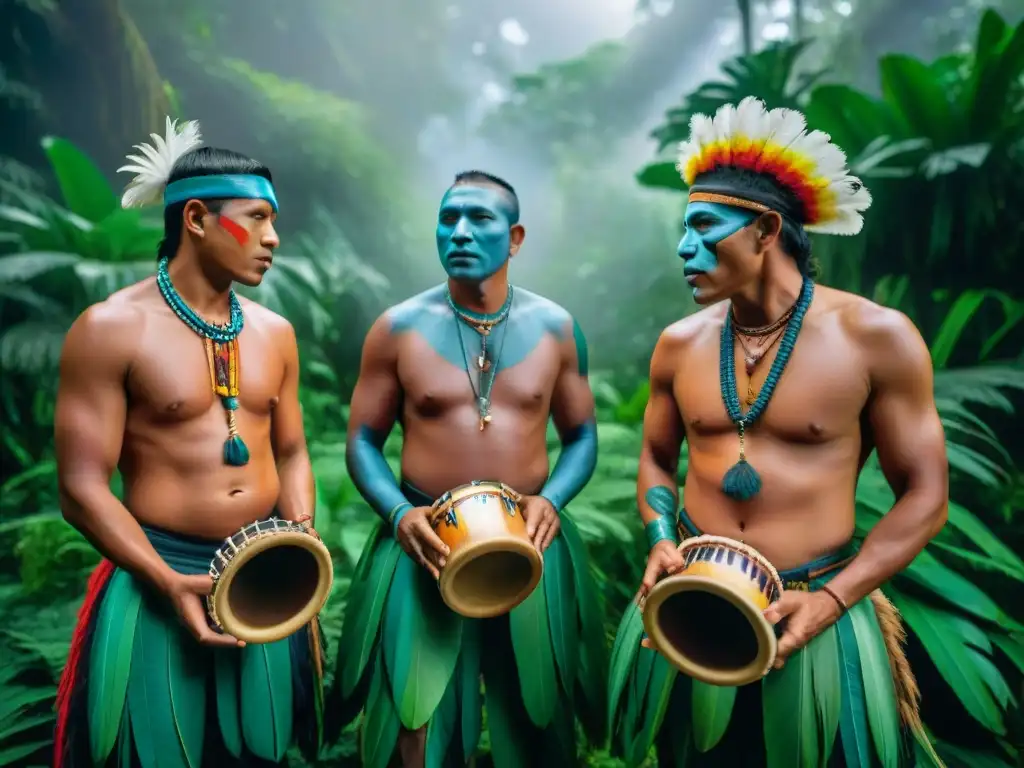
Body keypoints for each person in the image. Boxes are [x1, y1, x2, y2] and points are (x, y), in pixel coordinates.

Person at [607, 97, 949, 767]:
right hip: (693, 603)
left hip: (817, 608)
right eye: (683, 229)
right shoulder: (679, 344)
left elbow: (926, 497)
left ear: (766, 230)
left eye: (705, 226)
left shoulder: (876, 338)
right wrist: (656, 537)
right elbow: (654, 456)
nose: (685, 247)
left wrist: (830, 600)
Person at [53, 118, 324, 768]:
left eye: (273, 220)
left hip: (265, 574)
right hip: (156, 574)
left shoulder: (274, 332)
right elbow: (81, 486)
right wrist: (164, 578)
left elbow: (289, 450)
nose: (273, 238)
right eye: (256, 218)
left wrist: (301, 543)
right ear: (196, 217)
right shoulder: (111, 328)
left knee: (259, 757)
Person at [326, 170, 606, 767]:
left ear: (516, 236)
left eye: (479, 219)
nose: (459, 231)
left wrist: (551, 500)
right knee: (413, 723)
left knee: (538, 719)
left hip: (530, 540)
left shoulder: (557, 329)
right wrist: (399, 514)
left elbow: (582, 438)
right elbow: (362, 442)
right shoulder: (397, 328)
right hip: (420, 542)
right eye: (447, 217)